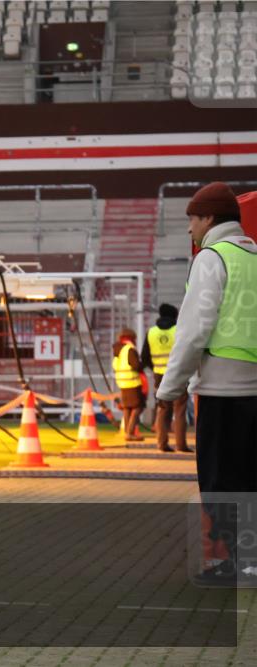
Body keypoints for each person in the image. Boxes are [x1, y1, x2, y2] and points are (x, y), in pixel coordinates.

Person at [156, 182, 257, 585]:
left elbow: (194, 331)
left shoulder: (212, 258)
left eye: (193, 218)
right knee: (250, 476)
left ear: (210, 218)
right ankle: (251, 561)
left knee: (219, 480)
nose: (189, 228)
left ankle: (234, 564)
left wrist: (168, 389)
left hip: (220, 390)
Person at [141, 303, 188, 452]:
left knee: (162, 408)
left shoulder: (151, 332)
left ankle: (162, 443)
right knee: (179, 408)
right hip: (178, 372)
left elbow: (144, 357)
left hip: (159, 375)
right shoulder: (179, 330)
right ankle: (181, 444)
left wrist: (155, 367)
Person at [112, 328, 144, 442]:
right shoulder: (129, 349)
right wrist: (142, 364)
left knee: (127, 408)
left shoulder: (117, 350)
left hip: (122, 382)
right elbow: (135, 365)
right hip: (132, 382)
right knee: (137, 407)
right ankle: (130, 432)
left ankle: (127, 432)